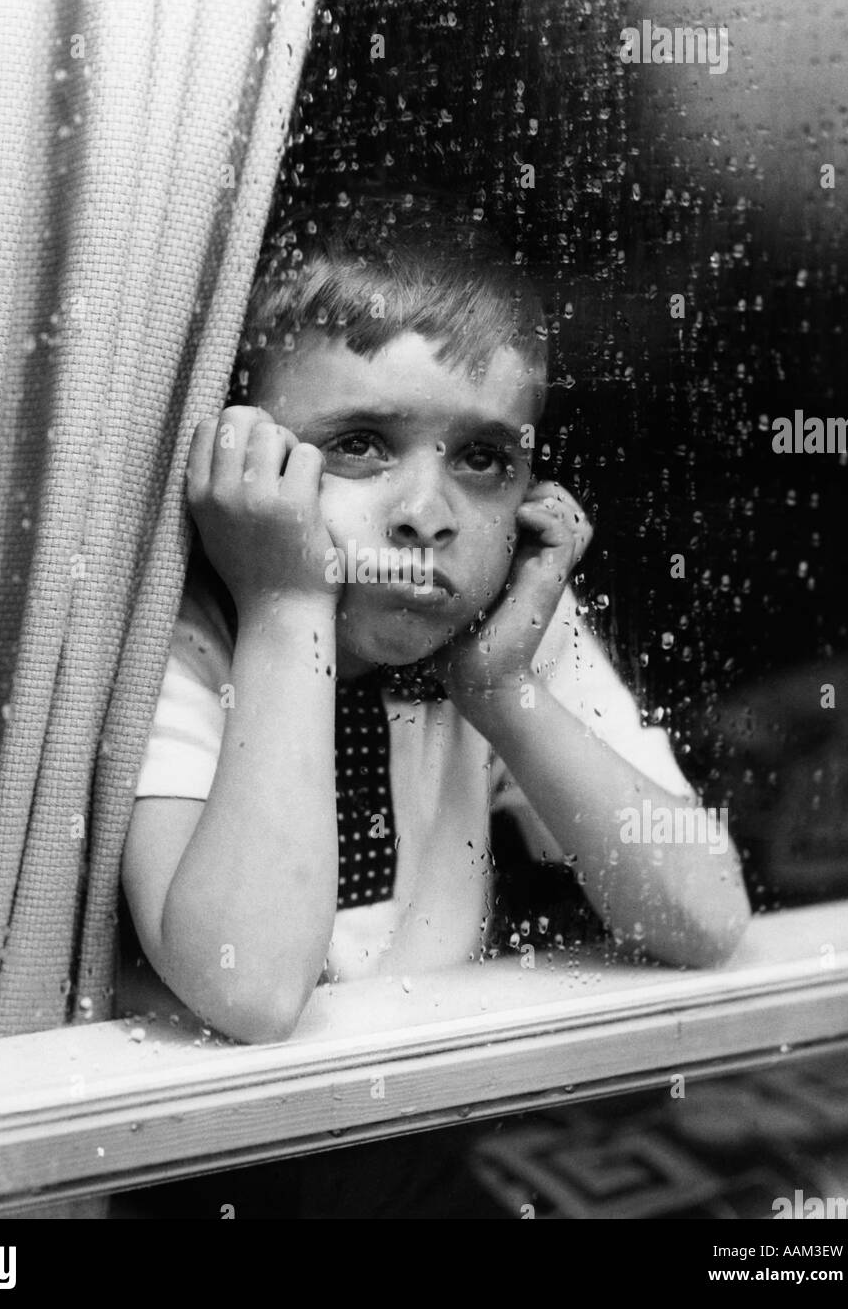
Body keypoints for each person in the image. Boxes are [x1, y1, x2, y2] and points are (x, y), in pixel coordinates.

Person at [122, 187, 751, 1044]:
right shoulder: (188, 640)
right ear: (244, 459)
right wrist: (285, 600)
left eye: (484, 459)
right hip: (215, 1151)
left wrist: (500, 690)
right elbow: (252, 991)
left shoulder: (505, 637)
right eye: (358, 443)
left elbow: (705, 916)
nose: (427, 512)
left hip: (431, 1114)